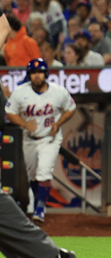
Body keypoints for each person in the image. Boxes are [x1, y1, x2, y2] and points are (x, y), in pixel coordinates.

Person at [5, 59, 76, 222]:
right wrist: (24, 123)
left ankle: (40, 208)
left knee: (44, 171)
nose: (37, 76)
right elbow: (10, 112)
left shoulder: (58, 91)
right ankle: (38, 201)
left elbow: (71, 108)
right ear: (29, 75)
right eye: (34, 73)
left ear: (46, 74)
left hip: (50, 138)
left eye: (40, 72)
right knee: (32, 175)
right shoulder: (20, 92)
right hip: (29, 139)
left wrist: (58, 124)